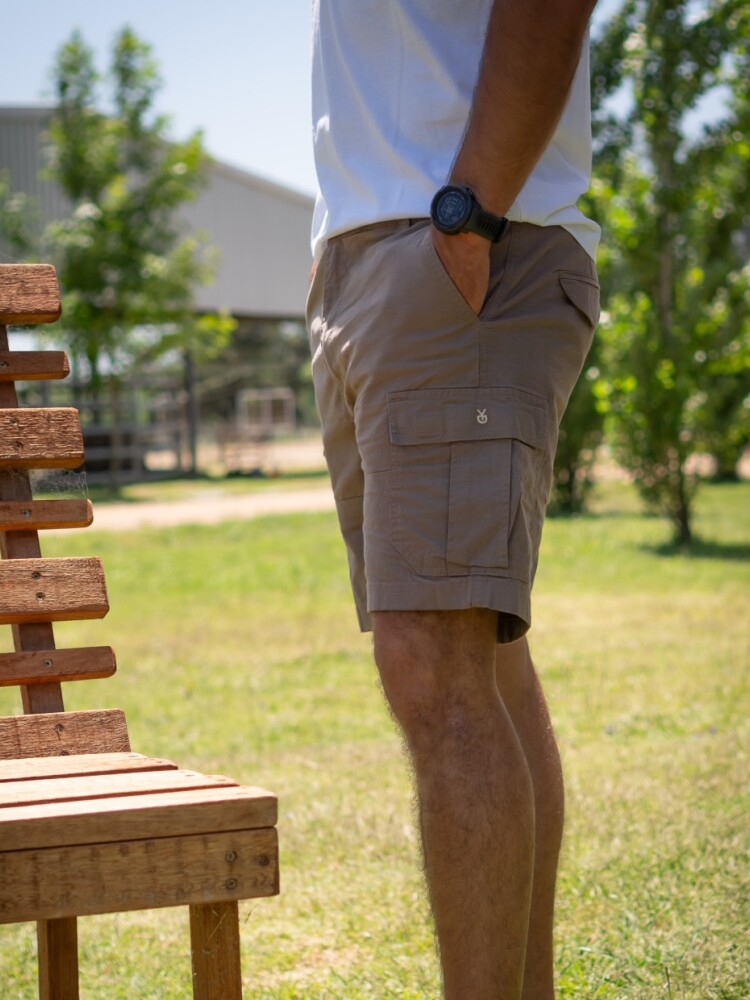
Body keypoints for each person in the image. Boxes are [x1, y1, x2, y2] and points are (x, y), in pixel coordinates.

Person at [306, 1, 601, 997]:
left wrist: (465, 219)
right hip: (372, 253)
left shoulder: (458, 227)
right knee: (478, 658)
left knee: (433, 664)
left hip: (455, 233)